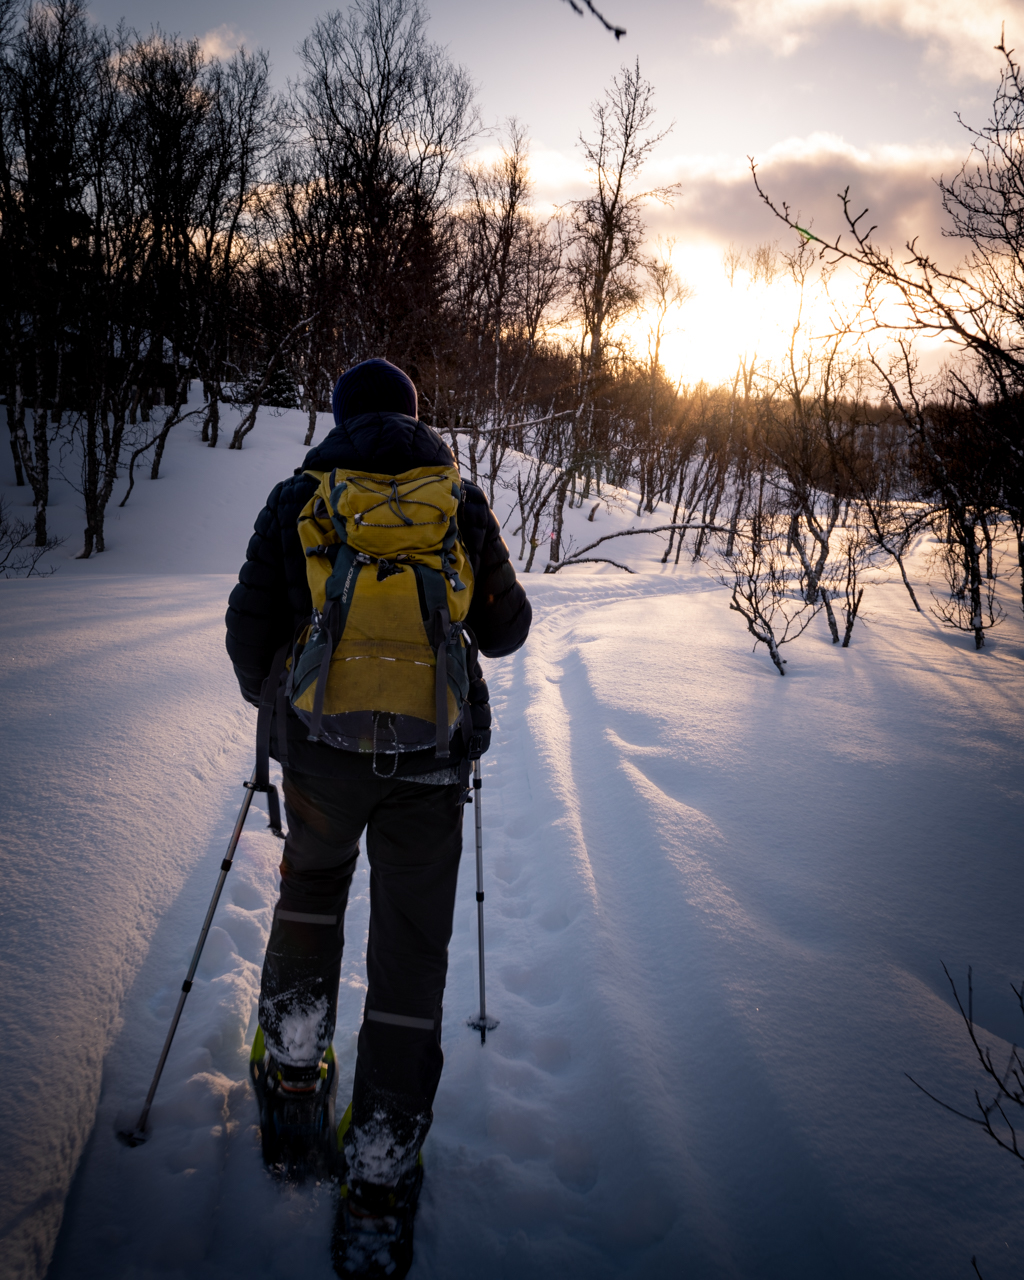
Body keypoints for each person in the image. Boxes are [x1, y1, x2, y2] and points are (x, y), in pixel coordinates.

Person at [225, 358, 530, 1275]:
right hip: (430, 769)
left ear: (338, 418)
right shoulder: (459, 500)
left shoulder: (298, 496)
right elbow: (507, 630)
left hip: (323, 754)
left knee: (311, 895)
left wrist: (287, 709)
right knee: (409, 955)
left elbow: (248, 635)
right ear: (413, 417)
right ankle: (383, 1176)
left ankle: (290, 1080)